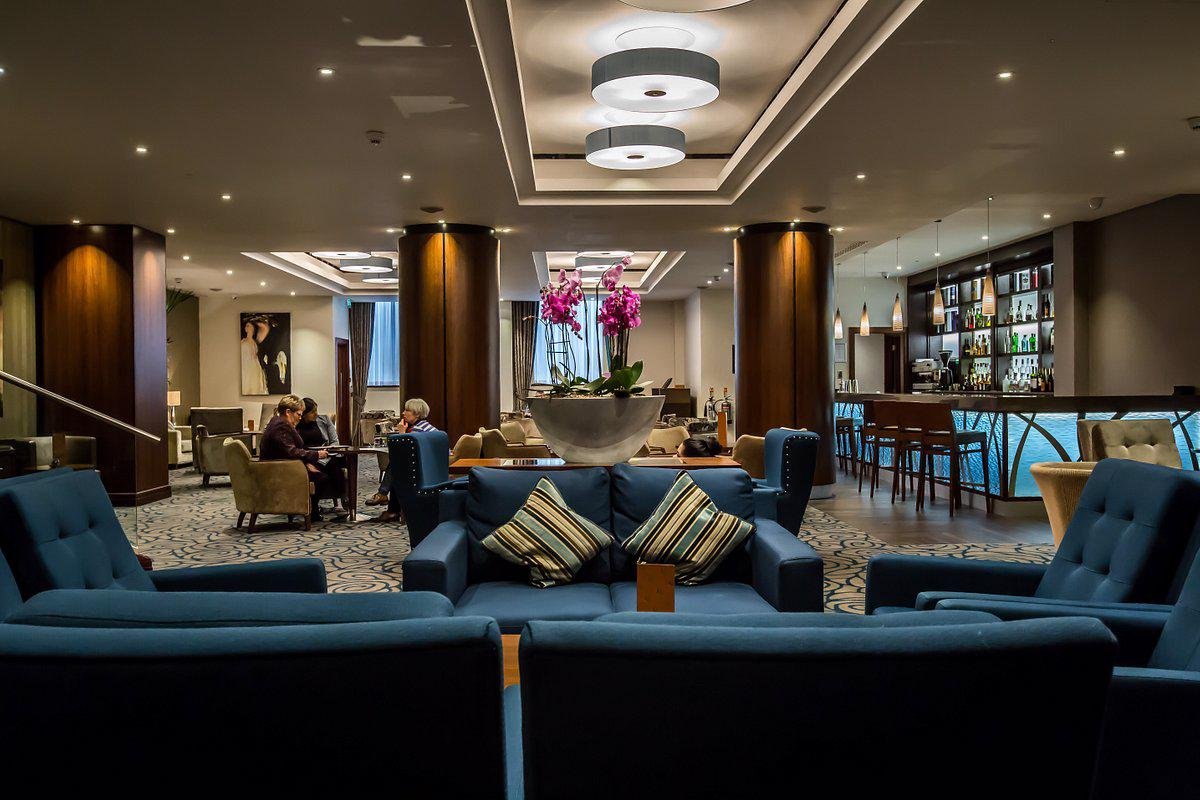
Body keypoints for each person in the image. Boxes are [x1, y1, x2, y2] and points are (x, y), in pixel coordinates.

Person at [260, 394, 346, 522]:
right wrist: (316, 455)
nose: (300, 418)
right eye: (298, 414)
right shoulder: (281, 426)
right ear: (288, 412)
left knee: (328, 470)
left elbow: (288, 451)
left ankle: (312, 509)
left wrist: (306, 462)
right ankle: (312, 510)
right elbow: (292, 451)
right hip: (280, 471)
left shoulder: (278, 422)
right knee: (322, 477)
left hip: (283, 466)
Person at [372, 398, 439, 523]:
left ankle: (384, 496)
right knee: (398, 467)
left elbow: (403, 451)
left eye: (407, 410)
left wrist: (402, 433)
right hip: (431, 464)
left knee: (397, 464)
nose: (403, 413)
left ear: (417, 414)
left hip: (428, 467)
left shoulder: (418, 430)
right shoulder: (423, 426)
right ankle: (391, 509)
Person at [239, 319, 268, 395]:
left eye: (250, 326)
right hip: (245, 367)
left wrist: (255, 320)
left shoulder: (255, 342)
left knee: (255, 386)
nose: (247, 328)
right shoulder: (242, 342)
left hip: (255, 367)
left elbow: (265, 329)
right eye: (247, 326)